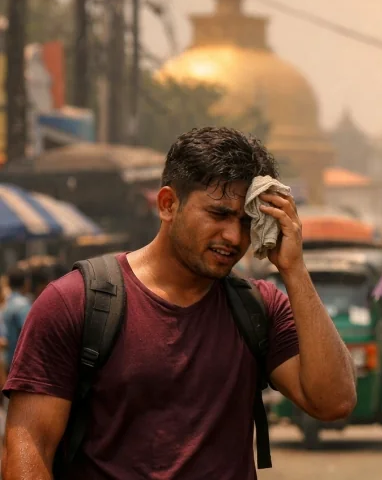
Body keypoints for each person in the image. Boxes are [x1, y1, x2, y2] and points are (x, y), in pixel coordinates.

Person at [3, 127, 357, 479]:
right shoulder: (76, 301)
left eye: (247, 221)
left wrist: (294, 268)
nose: (234, 237)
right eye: (218, 214)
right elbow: (30, 445)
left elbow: (333, 401)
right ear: (168, 204)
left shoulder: (259, 307)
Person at [2, 267, 31, 369]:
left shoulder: (6, 304)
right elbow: (29, 334)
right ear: (26, 283)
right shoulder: (23, 305)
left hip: (7, 360)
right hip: (20, 363)